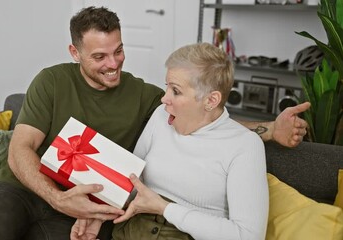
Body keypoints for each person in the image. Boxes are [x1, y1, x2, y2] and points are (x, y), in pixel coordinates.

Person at [0, 6, 309, 240]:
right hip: (27, 192)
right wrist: (57, 198)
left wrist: (268, 130)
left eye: (118, 50)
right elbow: (19, 149)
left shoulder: (150, 99)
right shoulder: (51, 81)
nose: (113, 64)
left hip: (87, 207)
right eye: (99, 56)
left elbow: (204, 116)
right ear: (75, 53)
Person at [71, 42, 269, 240]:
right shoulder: (160, 116)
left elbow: (248, 236)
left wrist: (164, 208)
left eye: (176, 91)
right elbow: (131, 180)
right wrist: (99, 213)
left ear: (211, 100)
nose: (164, 99)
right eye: (167, 87)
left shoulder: (244, 145)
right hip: (132, 230)